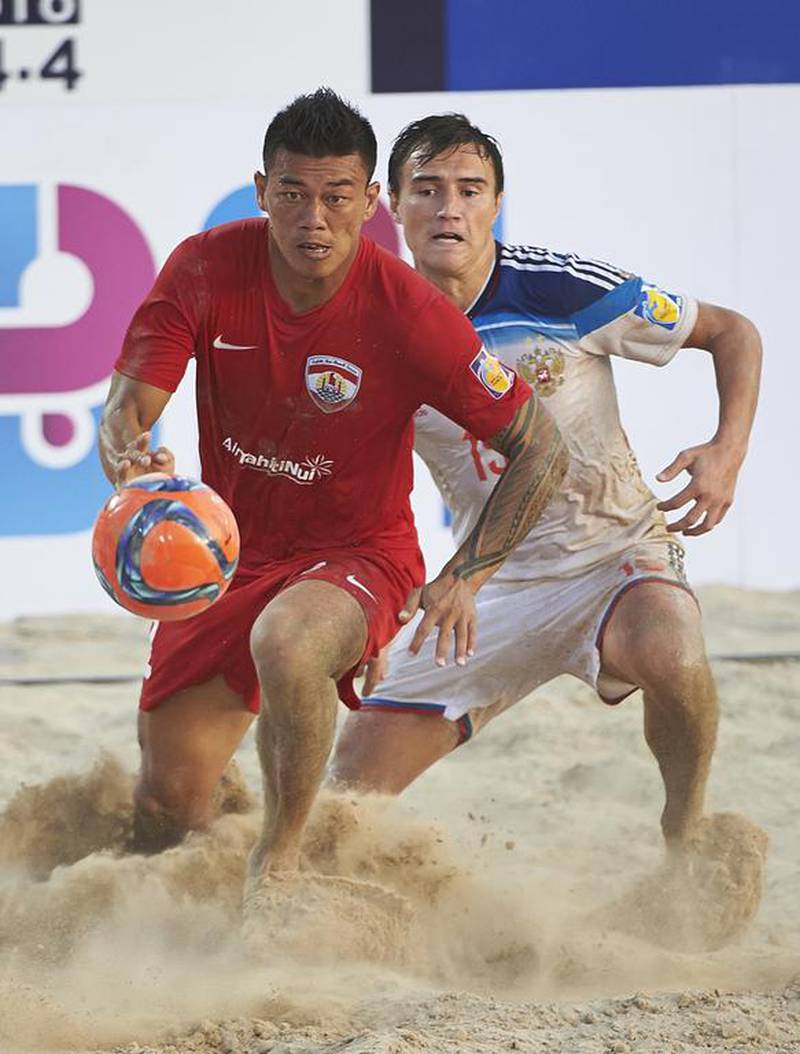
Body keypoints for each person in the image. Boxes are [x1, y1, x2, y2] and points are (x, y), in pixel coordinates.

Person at [98, 91, 568, 893]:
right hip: (229, 552)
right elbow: (126, 409)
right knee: (164, 808)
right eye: (293, 195)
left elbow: (541, 449)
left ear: (370, 203)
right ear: (261, 190)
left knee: (287, 643)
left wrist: (465, 574)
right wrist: (129, 459)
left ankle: (277, 864)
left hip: (359, 555)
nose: (314, 220)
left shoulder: (411, 312)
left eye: (336, 197)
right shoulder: (206, 265)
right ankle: (214, 876)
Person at [330, 114, 763, 854]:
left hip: (614, 552)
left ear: (497, 203)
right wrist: (374, 612)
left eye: (470, 190)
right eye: (426, 190)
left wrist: (727, 450)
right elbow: (359, 484)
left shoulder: (562, 288)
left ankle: (684, 827)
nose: (449, 209)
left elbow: (732, 332)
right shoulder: (370, 328)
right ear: (391, 206)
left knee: (672, 655)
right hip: (485, 583)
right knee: (345, 800)